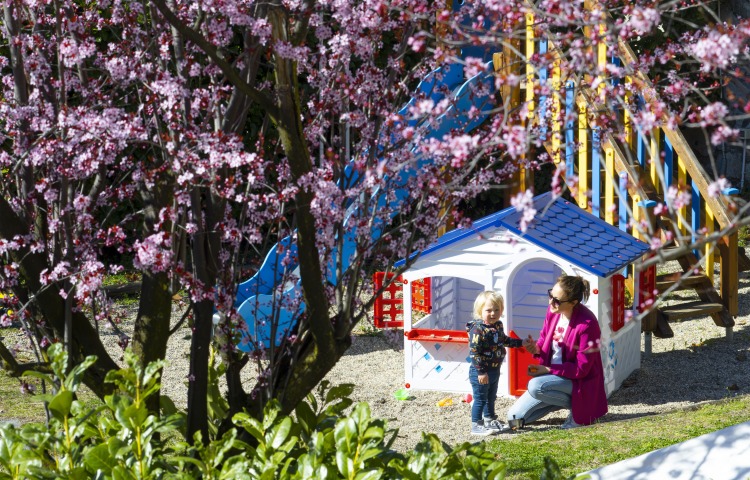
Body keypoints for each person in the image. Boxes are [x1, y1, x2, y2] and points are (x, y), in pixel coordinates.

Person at [506, 274, 607, 429]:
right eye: (550, 295)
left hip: (579, 382)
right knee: (514, 418)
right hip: (554, 380)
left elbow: (581, 370)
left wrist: (547, 369)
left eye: (557, 300)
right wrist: (536, 348)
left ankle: (580, 409)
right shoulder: (553, 312)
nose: (551, 302)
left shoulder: (588, 324)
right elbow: (544, 339)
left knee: (535, 386)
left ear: (573, 302)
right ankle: (569, 403)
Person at [467, 290, 524, 436]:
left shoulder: (498, 325)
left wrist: (521, 343)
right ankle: (476, 424)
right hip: (481, 371)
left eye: (497, 309)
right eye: (488, 310)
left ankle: (489, 419)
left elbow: (504, 340)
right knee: (480, 398)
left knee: (491, 396)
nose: (493, 313)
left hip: (494, 369)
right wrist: (481, 371)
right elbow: (474, 352)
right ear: (480, 311)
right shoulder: (477, 329)